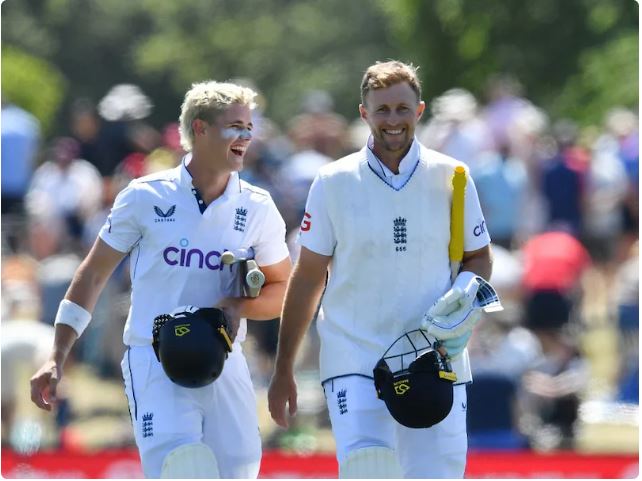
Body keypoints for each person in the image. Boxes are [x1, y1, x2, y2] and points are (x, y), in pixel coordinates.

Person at [30, 81, 292, 478]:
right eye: (235, 126)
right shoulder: (144, 195)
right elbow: (94, 273)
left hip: (226, 360)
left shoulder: (258, 205)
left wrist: (237, 307)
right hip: (154, 360)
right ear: (200, 129)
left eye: (248, 127)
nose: (246, 137)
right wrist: (56, 354)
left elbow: (282, 289)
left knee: (238, 472)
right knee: (183, 468)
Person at [268, 60, 493, 478]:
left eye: (402, 109)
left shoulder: (453, 176)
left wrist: (463, 298)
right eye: (382, 110)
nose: (393, 120)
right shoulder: (333, 181)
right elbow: (308, 277)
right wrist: (284, 369)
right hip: (354, 356)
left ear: (419, 111)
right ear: (364, 113)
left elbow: (478, 256)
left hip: (434, 358)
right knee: (368, 469)